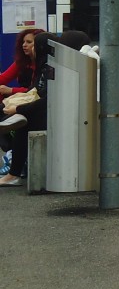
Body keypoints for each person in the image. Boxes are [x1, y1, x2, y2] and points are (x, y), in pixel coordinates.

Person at [0, 30, 90, 187]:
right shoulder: (56, 65)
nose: (27, 47)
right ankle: (13, 161)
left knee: (23, 123)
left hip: (66, 116)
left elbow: (48, 98)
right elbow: (38, 92)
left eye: (32, 44)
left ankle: (14, 172)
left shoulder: (62, 68)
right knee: (12, 115)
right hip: (59, 111)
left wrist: (19, 108)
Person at [0, 28, 43, 178]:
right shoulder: (22, 62)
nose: (25, 45)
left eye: (29, 42)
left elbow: (37, 90)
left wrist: (11, 90)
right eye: (23, 42)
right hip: (22, 99)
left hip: (32, 102)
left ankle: (14, 156)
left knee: (13, 119)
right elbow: (4, 78)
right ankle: (11, 152)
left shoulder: (43, 65)